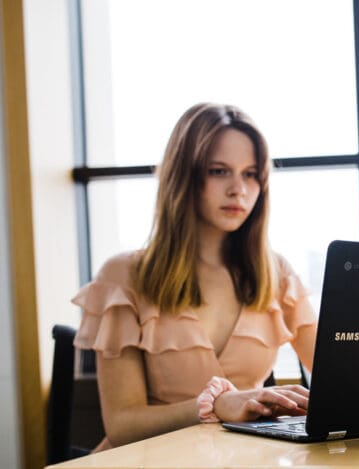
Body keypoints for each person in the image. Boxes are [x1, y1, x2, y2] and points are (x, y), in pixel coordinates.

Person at [72, 103, 317, 450]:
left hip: (240, 459)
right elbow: (122, 424)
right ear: (184, 176)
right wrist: (215, 406)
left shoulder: (275, 274)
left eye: (250, 174)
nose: (239, 190)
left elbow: (341, 375)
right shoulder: (123, 277)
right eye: (219, 171)